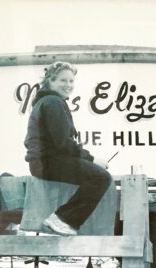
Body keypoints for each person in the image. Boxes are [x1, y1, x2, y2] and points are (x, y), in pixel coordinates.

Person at [24, 61, 112, 236]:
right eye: (63, 81)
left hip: (43, 162)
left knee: (95, 175)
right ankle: (62, 219)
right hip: (49, 162)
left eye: (71, 81)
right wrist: (92, 159)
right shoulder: (53, 102)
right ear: (50, 81)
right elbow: (63, 142)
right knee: (101, 177)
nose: (68, 85)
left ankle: (64, 219)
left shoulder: (46, 102)